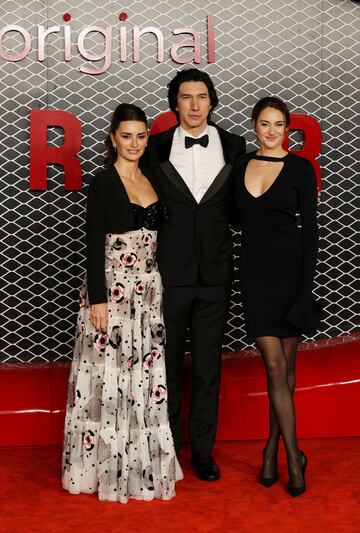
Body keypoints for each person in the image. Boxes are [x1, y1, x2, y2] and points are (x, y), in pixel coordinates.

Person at [62, 103, 183, 503]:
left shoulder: (153, 179)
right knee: (109, 378)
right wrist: (97, 300)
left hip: (148, 295)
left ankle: (140, 468)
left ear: (148, 138)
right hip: (112, 293)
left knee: (143, 379)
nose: (134, 143)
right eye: (126, 135)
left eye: (141, 135)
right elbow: (93, 242)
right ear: (113, 138)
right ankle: (104, 470)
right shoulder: (103, 182)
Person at [142, 69, 246, 481]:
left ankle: (203, 452)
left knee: (207, 367)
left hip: (217, 275)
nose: (195, 105)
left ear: (213, 101)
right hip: (167, 274)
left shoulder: (236, 146)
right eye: (186, 97)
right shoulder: (154, 148)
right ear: (174, 104)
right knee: (165, 367)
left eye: (202, 96)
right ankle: (166, 450)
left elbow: (241, 207)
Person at [233, 96, 322, 496]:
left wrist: (304, 292)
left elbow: (312, 234)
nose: (272, 131)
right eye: (265, 124)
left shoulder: (301, 169)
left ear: (288, 128)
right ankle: (295, 458)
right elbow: (232, 218)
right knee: (275, 370)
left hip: (291, 278)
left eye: (279, 124)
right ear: (254, 125)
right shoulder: (239, 166)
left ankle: (272, 452)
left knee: (284, 374)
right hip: (254, 277)